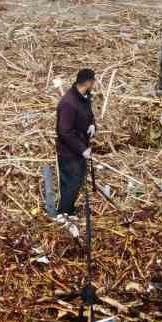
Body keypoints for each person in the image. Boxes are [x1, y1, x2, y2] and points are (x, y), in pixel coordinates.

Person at [55, 69, 96, 217]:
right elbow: (64, 131)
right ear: (88, 82)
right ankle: (63, 213)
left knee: (77, 180)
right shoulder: (69, 103)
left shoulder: (84, 97)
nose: (94, 84)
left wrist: (92, 125)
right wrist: (81, 149)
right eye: (93, 81)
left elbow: (89, 114)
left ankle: (69, 210)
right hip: (69, 152)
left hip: (79, 148)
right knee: (70, 182)